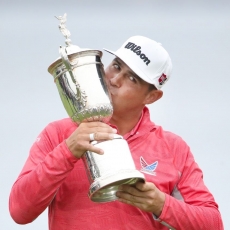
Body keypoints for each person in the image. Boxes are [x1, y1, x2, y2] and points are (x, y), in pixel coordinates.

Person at [9, 36, 224, 230]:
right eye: (116, 66)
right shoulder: (59, 134)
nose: (114, 79)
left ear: (152, 97)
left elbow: (213, 223)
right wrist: (67, 152)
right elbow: (19, 211)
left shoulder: (173, 148)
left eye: (132, 79)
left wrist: (161, 204)